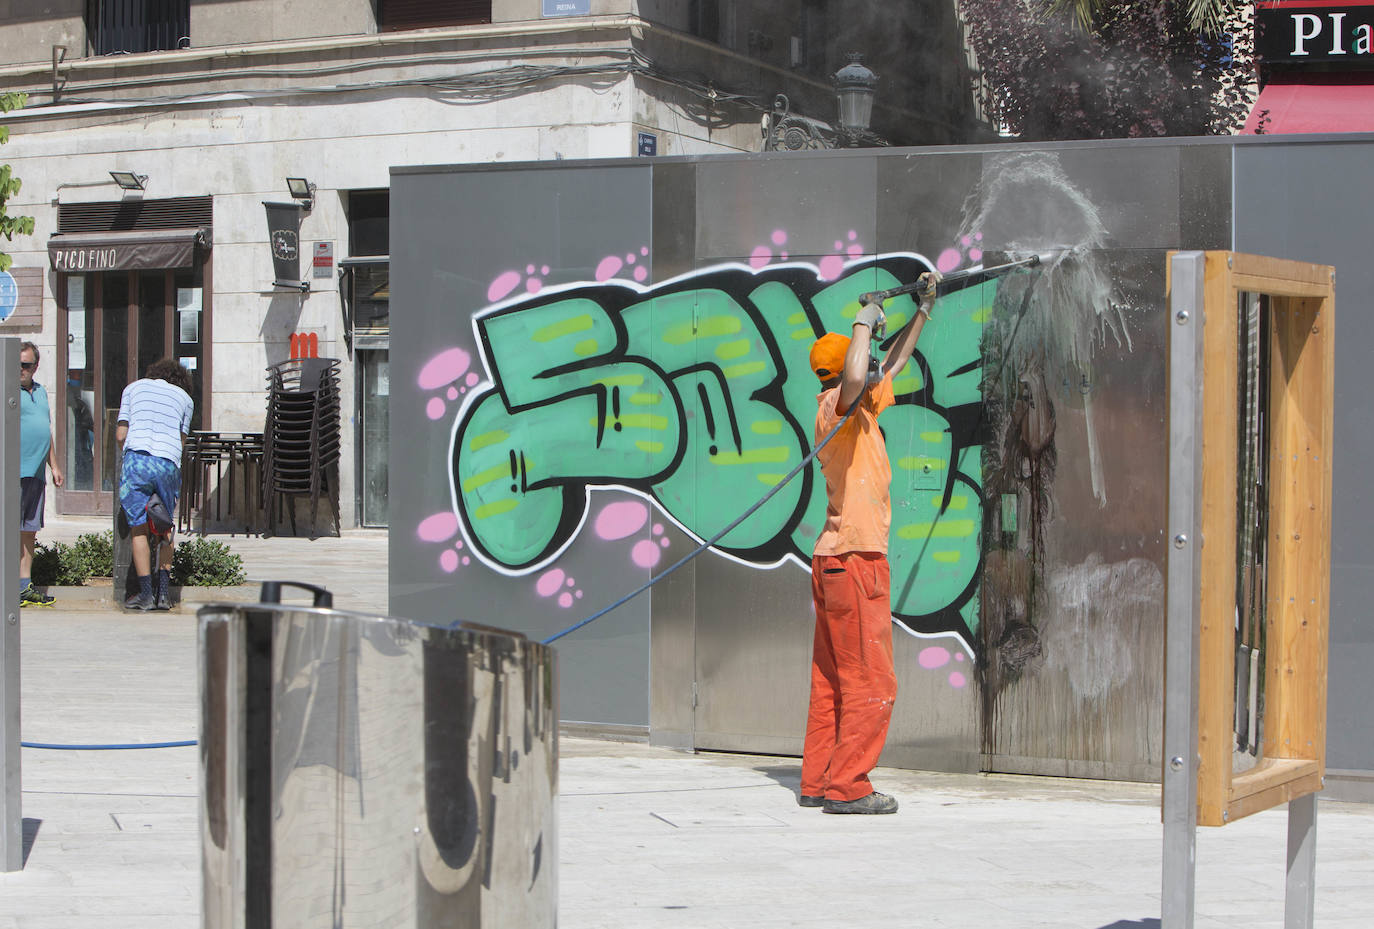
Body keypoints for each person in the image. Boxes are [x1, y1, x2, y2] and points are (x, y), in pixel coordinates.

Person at [799, 270, 940, 814]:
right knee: (872, 680)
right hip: (855, 563)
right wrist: (864, 318)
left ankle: (817, 781)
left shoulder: (857, 411)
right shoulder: (837, 407)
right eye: (863, 359)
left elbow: (893, 364)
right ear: (842, 374)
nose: (877, 370)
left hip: (832, 561)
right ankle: (849, 787)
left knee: (832, 679)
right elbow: (859, 372)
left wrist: (923, 310)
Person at [115, 358, 194, 611]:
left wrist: (129, 457)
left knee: (139, 529)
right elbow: (180, 442)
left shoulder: (133, 388)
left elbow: (121, 435)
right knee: (165, 527)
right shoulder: (185, 399)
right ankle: (163, 596)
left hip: (136, 461)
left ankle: (145, 595)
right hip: (167, 463)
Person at [18, 341, 65, 607]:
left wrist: (54, 465)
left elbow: (45, 431)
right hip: (12, 472)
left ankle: (24, 587)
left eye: (25, 365)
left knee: (28, 531)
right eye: (16, 364)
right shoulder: (6, 390)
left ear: (35, 367)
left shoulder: (41, 392)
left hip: (35, 473)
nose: (20, 370)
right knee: (9, 530)